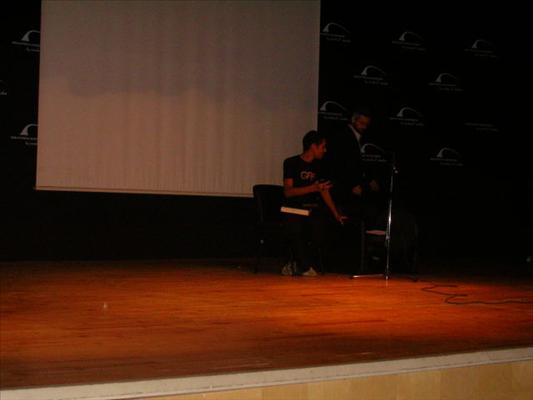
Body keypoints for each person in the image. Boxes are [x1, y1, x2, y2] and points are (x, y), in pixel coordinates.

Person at [283, 130, 346, 276]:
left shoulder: (320, 166)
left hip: (311, 208)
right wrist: (312, 188)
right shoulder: (291, 163)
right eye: (322, 146)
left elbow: (324, 191)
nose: (325, 150)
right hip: (293, 208)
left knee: (320, 228)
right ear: (313, 146)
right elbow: (288, 192)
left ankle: (298, 264)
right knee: (297, 227)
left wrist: (336, 213)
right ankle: (303, 266)